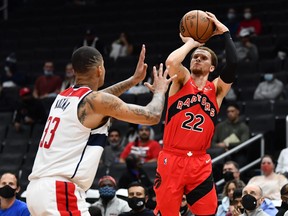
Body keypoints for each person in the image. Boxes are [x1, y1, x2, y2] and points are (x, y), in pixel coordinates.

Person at [26, 45, 176, 215]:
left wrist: (132, 81)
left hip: (38, 189)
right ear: (99, 69)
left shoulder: (64, 96)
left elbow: (100, 99)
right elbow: (153, 115)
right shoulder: (93, 102)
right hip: (59, 191)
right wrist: (160, 91)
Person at [153, 12, 238, 216]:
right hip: (172, 158)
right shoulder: (181, 80)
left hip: (199, 162)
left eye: (203, 57)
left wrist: (225, 32)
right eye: (195, 57)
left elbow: (233, 65)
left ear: (212, 67)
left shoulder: (216, 90)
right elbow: (172, 61)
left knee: (208, 211)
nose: (198, 58)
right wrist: (192, 43)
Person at [211, 102, 250, 167]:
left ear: (238, 112)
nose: (230, 113)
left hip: (237, 153)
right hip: (222, 153)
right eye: (228, 112)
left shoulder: (243, 127)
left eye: (232, 111)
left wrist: (228, 145)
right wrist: (220, 146)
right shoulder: (220, 126)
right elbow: (212, 142)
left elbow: (244, 143)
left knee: (241, 159)